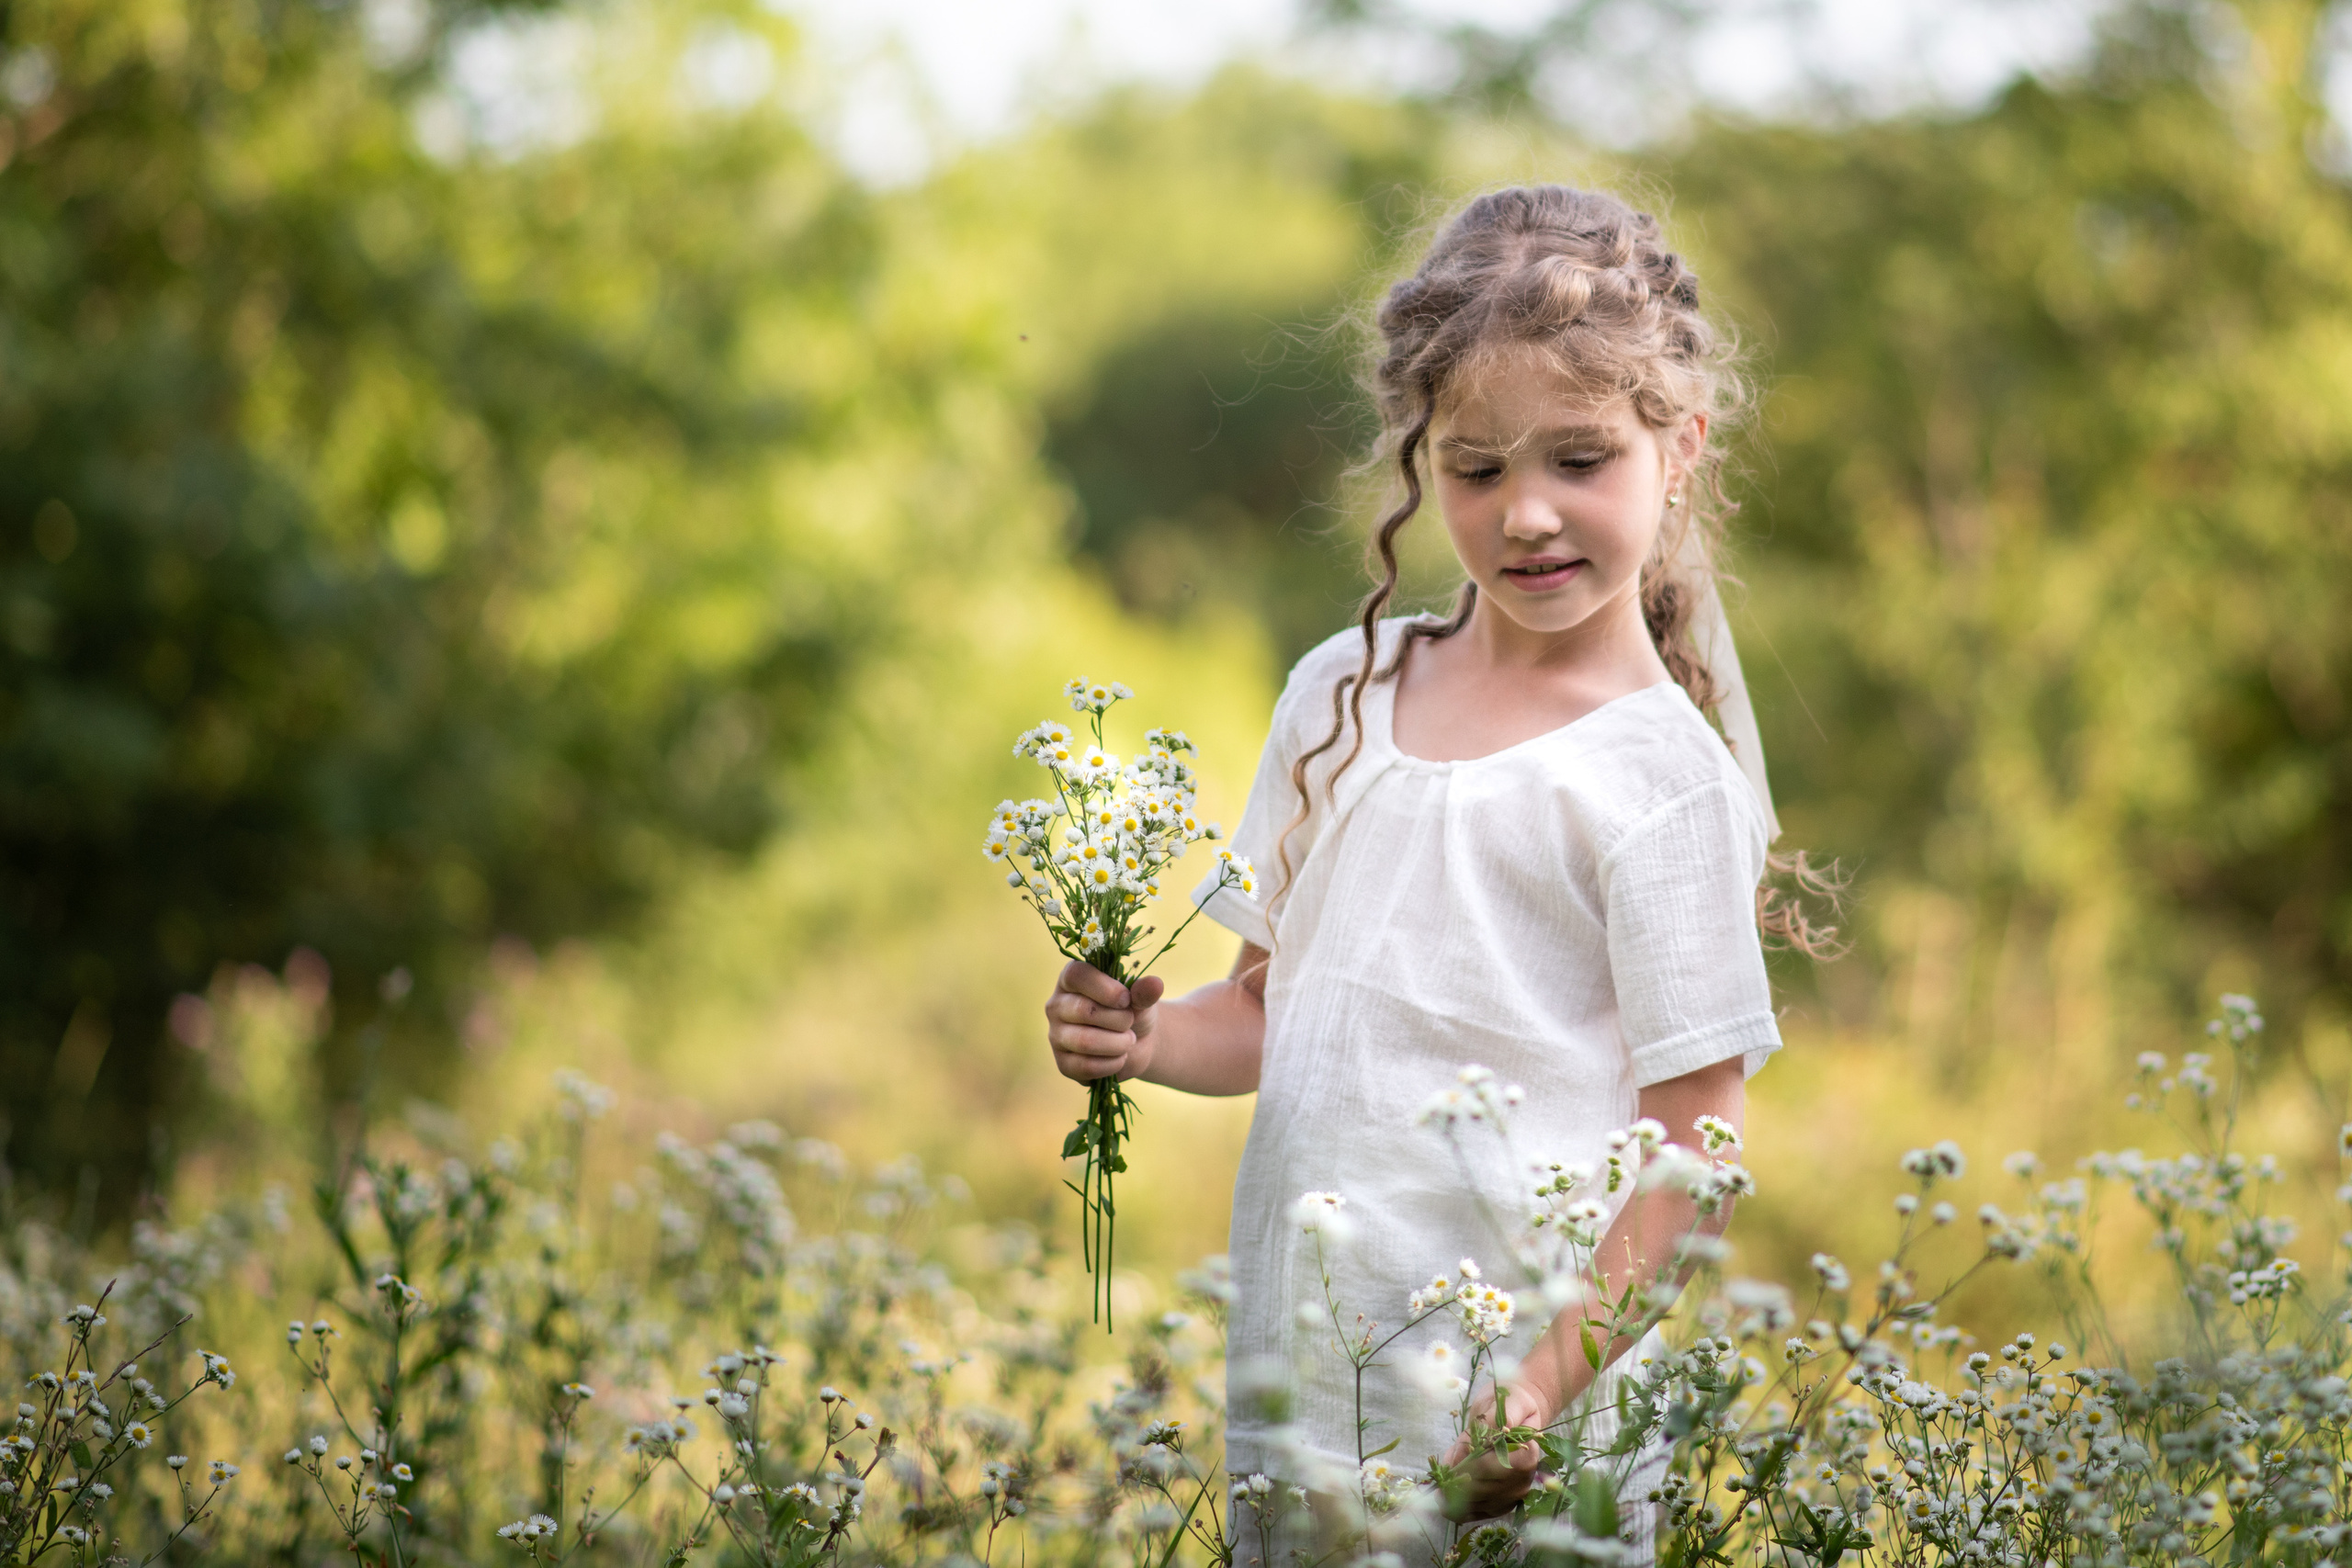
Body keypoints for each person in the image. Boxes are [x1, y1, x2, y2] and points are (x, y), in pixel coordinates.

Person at [1041, 185, 1831, 1558]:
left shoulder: (1663, 782)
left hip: (1521, 1416)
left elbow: (1696, 1150)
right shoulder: (1343, 690)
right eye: (1476, 469)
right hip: (1316, 1369)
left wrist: (1534, 1397)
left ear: (1680, 447)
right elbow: (1274, 1014)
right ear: (1423, 461)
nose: (1527, 514)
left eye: (1580, 460)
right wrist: (1146, 1038)